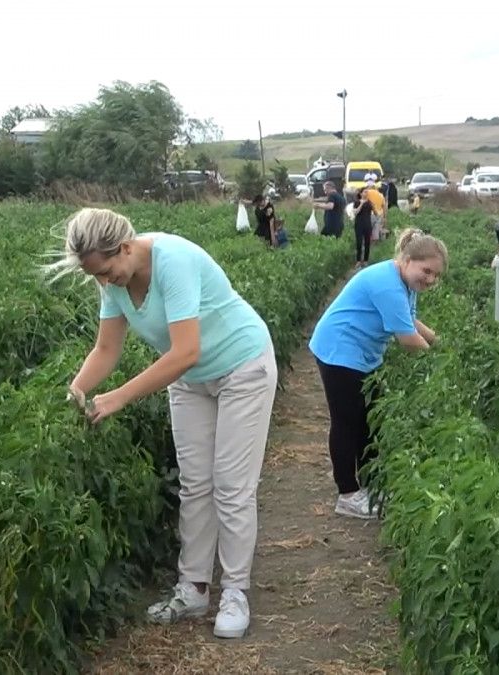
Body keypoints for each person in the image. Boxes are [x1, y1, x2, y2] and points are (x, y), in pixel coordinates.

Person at [54, 208, 277, 639]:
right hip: (191, 380)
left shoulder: (171, 261)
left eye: (105, 271)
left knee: (232, 486)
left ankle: (235, 592)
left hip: (241, 366)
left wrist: (117, 397)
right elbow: (106, 349)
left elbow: (184, 351)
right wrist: (74, 393)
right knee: (196, 484)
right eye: (94, 276)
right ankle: (193, 587)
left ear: (124, 247)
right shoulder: (112, 279)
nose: (104, 282)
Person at [309, 229, 446, 518]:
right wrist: (441, 363)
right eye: (427, 271)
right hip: (340, 351)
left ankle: (370, 486)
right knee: (347, 422)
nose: (431, 280)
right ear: (407, 260)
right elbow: (407, 338)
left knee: (371, 421)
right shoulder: (388, 284)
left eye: (436, 275)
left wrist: (438, 341)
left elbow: (410, 319)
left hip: (363, 355)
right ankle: (347, 493)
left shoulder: (405, 283)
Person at [351, 187, 374, 268]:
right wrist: (361, 203)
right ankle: (358, 261)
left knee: (367, 243)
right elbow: (355, 212)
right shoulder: (356, 202)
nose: (366, 193)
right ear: (361, 193)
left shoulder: (370, 202)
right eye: (365, 192)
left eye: (367, 192)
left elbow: (374, 212)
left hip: (367, 225)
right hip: (359, 225)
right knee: (359, 243)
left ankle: (365, 260)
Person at [363, 175, 388, 240]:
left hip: (369, 215)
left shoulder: (366, 193)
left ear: (368, 186)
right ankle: (375, 247)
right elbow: (384, 207)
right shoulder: (380, 195)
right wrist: (385, 217)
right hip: (379, 215)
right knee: (376, 232)